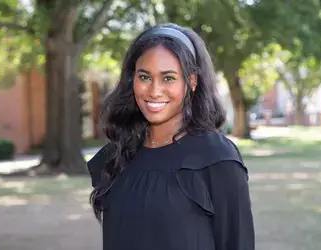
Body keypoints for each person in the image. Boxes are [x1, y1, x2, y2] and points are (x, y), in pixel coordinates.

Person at [87, 23, 255, 250]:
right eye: (145, 77)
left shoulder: (217, 158)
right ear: (132, 80)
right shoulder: (117, 155)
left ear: (192, 82)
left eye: (168, 78)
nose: (154, 91)